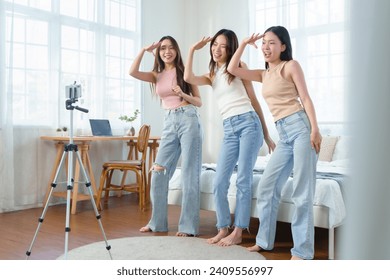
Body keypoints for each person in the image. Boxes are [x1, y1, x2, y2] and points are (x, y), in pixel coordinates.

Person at [227, 26, 322, 259]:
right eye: (264, 43)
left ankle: (302, 251)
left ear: (283, 46)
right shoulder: (263, 73)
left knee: (302, 191)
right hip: (284, 135)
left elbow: (306, 98)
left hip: (301, 128)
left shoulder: (291, 66)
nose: (266, 47)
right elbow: (232, 68)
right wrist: (243, 44)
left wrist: (316, 130)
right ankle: (264, 241)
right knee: (268, 185)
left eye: (272, 42)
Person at [184, 29, 275, 246]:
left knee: (243, 178)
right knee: (219, 181)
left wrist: (266, 133)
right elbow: (187, 77)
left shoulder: (238, 67)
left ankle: (239, 230)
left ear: (230, 48)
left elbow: (254, 100)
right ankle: (223, 227)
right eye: (215, 44)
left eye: (223, 45)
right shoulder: (212, 74)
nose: (217, 49)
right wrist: (190, 50)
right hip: (229, 128)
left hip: (248, 124)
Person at [129, 36, 203, 237]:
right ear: (159, 52)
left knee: (189, 173)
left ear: (177, 51)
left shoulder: (184, 73)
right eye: (162, 48)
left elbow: (198, 102)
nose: (167, 51)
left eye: (171, 48)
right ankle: (157, 223)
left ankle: (188, 227)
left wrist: (182, 93)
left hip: (188, 118)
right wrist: (144, 50)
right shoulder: (157, 74)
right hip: (169, 122)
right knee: (158, 172)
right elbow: (132, 72)